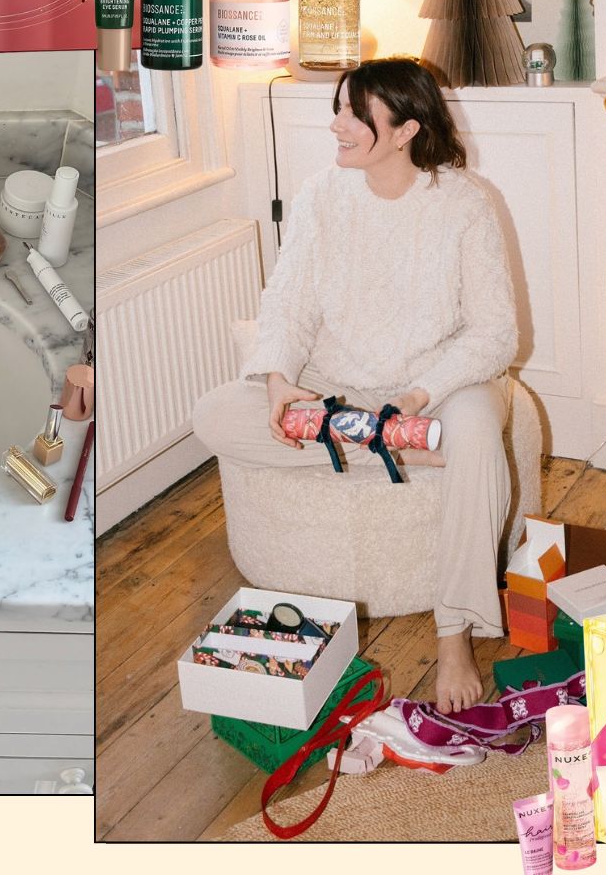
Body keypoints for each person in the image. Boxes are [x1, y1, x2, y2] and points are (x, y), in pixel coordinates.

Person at [193, 57, 519, 713]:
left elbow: (495, 334)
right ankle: (402, 446)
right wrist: (280, 383)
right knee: (216, 413)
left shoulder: (465, 203)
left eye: (354, 112)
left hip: (438, 383)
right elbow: (289, 300)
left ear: (406, 130)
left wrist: (420, 394)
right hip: (338, 383)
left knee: (480, 435)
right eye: (338, 108)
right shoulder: (321, 195)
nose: (336, 124)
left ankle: (454, 631)